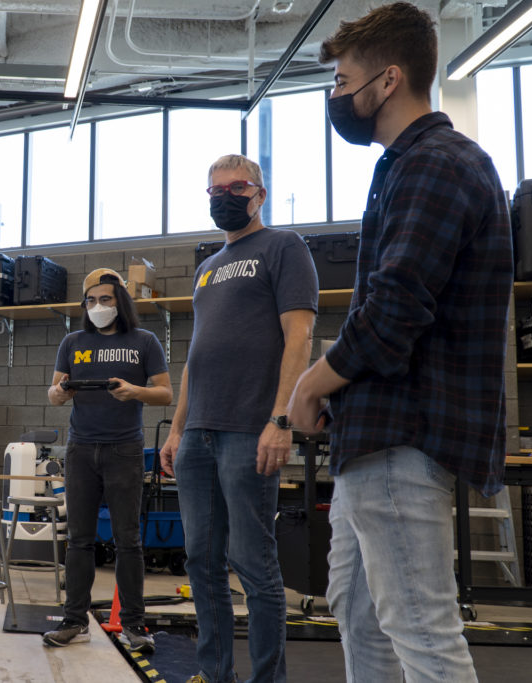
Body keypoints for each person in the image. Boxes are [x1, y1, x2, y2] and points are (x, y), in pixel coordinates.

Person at [287, 4, 513, 682]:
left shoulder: (435, 165)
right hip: (376, 437)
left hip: (403, 442)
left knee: (421, 630)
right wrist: (342, 398)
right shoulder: (404, 167)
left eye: (343, 80)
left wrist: (308, 383)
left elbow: (392, 315)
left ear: (388, 80)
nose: (336, 96)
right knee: (359, 617)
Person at [160, 153, 318, 683]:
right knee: (201, 563)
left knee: (254, 565)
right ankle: (215, 673)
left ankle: (267, 678)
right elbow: (197, 356)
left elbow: (299, 336)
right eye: (215, 191)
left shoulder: (283, 247)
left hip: (249, 429)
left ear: (259, 194)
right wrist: (179, 428)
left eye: (236, 187)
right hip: (199, 433)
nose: (224, 197)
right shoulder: (206, 270)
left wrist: (282, 418)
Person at [42, 268, 172, 653]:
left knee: (128, 541)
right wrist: (61, 392)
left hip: (124, 451)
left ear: (120, 302)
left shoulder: (144, 342)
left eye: (106, 299)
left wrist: (134, 391)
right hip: (81, 449)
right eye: (91, 301)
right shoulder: (72, 342)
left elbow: (165, 394)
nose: (98, 306)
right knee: (79, 540)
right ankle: (73, 621)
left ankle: (134, 625)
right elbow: (52, 393)